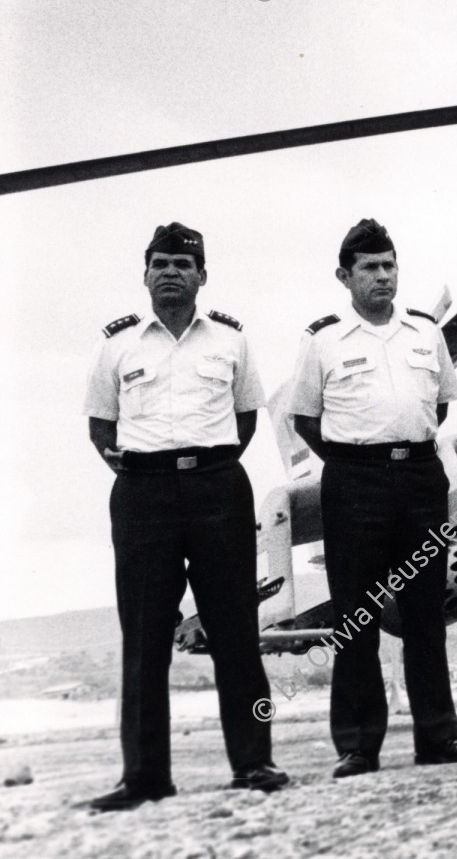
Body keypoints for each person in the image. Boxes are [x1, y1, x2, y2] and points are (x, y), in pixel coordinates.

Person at [82, 223, 289, 810]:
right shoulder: (118, 345)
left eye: (182, 263)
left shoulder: (231, 340)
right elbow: (101, 423)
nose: (170, 271)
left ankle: (255, 762)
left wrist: (205, 464)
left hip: (218, 489)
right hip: (142, 495)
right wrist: (146, 467)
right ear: (144, 274)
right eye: (159, 263)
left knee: (238, 636)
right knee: (144, 640)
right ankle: (145, 777)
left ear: (202, 275)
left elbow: (246, 418)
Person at [290, 219, 457, 778]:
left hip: (420, 478)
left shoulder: (425, 332)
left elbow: (439, 406)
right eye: (370, 267)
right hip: (354, 484)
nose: (382, 276)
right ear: (344, 276)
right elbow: (305, 420)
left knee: (426, 612)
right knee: (356, 617)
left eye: (389, 265)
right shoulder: (323, 340)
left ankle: (438, 737)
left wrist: (402, 451)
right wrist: (359, 460)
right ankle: (358, 744)